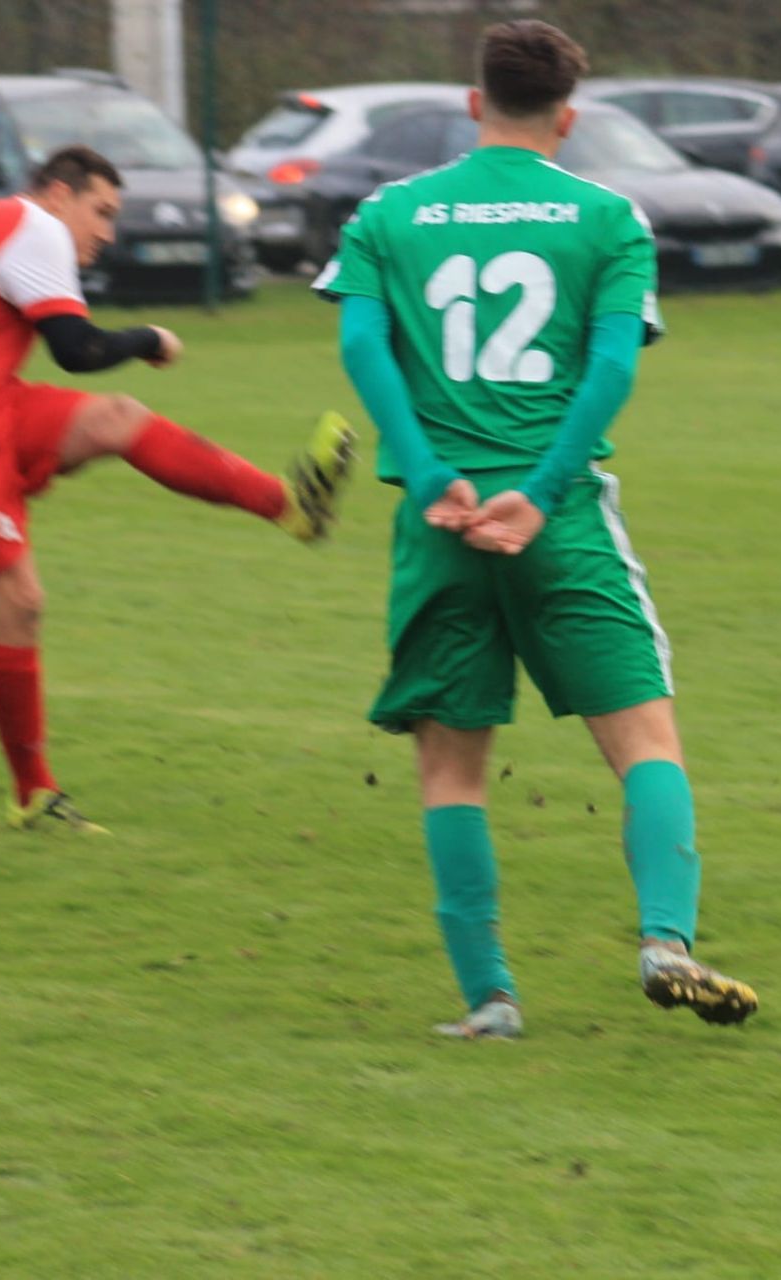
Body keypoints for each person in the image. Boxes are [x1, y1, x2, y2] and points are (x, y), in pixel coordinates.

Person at [314, 19, 758, 1039]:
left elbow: (360, 342)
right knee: (646, 743)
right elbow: (611, 368)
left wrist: (430, 471)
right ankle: (664, 941)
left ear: (474, 104)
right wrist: (545, 486)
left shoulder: (388, 214)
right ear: (569, 115)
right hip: (553, 518)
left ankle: (490, 998)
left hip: (440, 523)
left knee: (451, 767)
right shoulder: (609, 219)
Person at [0, 146, 354, 833]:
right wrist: (150, 337)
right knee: (19, 604)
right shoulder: (33, 227)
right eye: (100, 212)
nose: (106, 232)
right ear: (58, 194)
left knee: (115, 419)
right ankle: (32, 794)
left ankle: (291, 508)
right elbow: (78, 349)